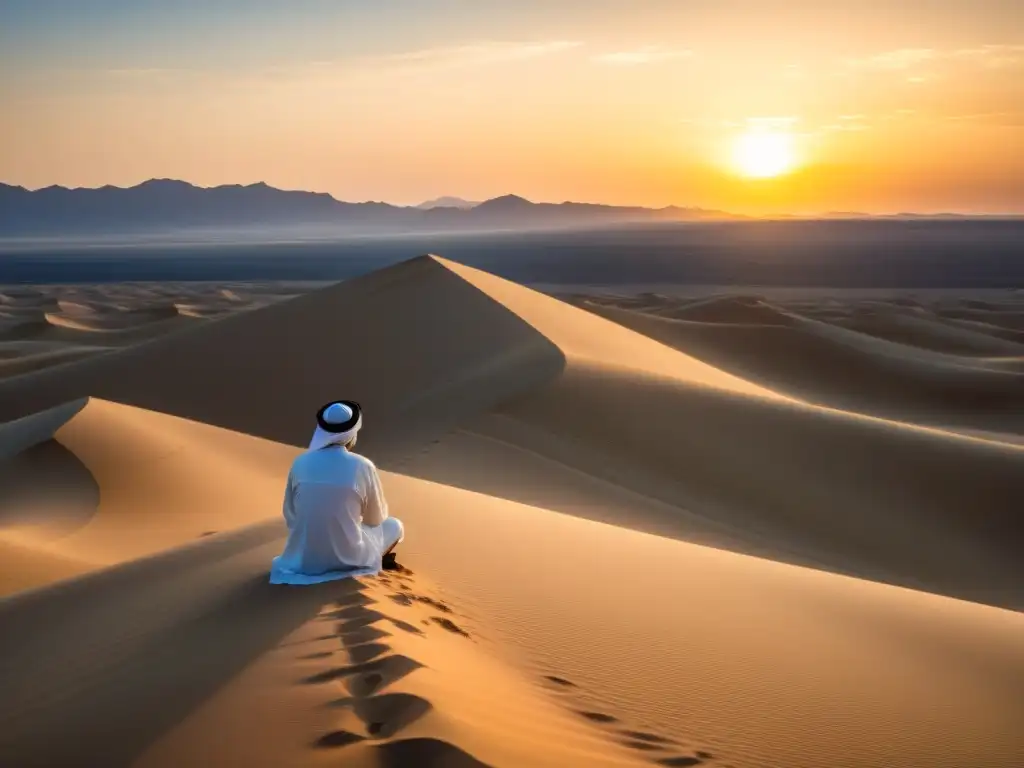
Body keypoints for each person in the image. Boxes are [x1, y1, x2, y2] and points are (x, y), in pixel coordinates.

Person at [269, 400, 404, 584]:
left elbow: (291, 516)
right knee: (395, 526)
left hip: (304, 561)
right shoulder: (363, 466)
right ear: (351, 433)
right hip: (350, 560)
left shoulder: (299, 463)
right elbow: (375, 520)